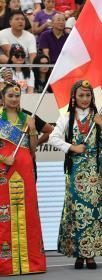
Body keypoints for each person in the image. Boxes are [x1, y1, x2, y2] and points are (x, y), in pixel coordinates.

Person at [49, 80, 102, 269]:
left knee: (95, 213)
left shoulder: (99, 116)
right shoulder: (67, 117)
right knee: (76, 212)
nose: (85, 99)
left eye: (88, 96)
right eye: (81, 96)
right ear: (74, 97)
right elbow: (53, 138)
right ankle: (78, 254)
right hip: (75, 171)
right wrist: (72, 147)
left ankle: (91, 254)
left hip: (95, 171)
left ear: (92, 98)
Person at [0, 81, 46, 275]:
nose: (14, 99)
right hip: (4, 170)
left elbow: (33, 149)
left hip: (26, 169)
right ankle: (6, 265)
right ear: (3, 98)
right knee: (5, 215)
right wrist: (3, 158)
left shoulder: (27, 118)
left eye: (17, 96)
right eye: (10, 96)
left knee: (29, 214)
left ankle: (32, 263)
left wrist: (33, 129)